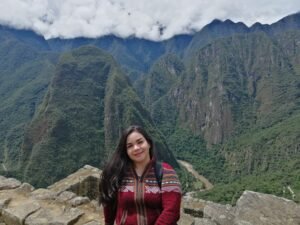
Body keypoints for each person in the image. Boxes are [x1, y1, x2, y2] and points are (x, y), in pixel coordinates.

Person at [99, 125, 181, 225]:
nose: (136, 148)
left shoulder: (166, 172)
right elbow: (109, 205)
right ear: (126, 151)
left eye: (140, 142)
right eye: (130, 146)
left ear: (149, 143)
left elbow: (171, 211)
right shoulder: (118, 174)